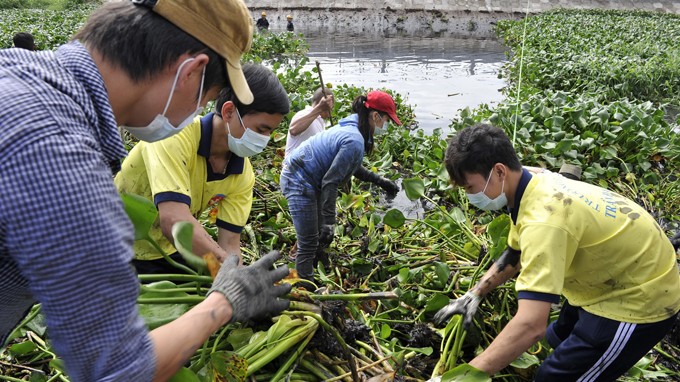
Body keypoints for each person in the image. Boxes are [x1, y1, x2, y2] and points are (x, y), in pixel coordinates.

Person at [0, 1, 291, 381]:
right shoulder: (61, 154)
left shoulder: (15, 67)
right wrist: (225, 303)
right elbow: (118, 370)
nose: (199, 111)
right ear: (191, 72)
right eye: (206, 99)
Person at [433, 124, 680, 381]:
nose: (470, 195)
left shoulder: (543, 221)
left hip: (642, 297)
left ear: (499, 171)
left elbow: (531, 326)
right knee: (556, 338)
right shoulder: (531, 180)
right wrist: (475, 294)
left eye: (470, 188)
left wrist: (462, 377)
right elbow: (514, 254)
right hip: (610, 272)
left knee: (551, 378)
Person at [115, 63, 290, 274]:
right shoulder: (174, 136)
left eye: (270, 132)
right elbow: (173, 220)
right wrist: (230, 273)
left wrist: (238, 277)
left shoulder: (243, 174)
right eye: (261, 129)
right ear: (229, 111)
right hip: (114, 246)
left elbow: (230, 243)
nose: (264, 140)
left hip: (169, 251)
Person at [280, 90, 402, 287]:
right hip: (298, 180)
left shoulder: (354, 128)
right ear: (376, 116)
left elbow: (351, 166)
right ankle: (307, 287)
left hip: (309, 179)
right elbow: (330, 181)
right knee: (309, 241)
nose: (385, 126)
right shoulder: (354, 139)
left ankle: (316, 264)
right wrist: (330, 222)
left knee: (317, 232)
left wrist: (381, 181)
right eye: (386, 120)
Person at [286, 87, 398, 194]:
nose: (332, 111)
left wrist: (379, 181)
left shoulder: (321, 122)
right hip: (297, 172)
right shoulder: (305, 114)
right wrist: (319, 109)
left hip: (310, 170)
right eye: (331, 107)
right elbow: (294, 130)